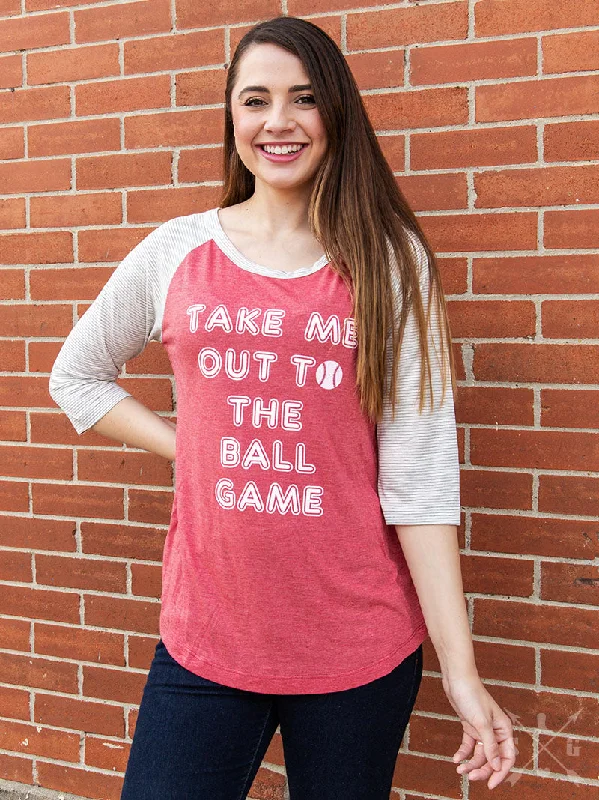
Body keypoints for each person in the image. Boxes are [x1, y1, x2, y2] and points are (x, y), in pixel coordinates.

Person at [49, 15, 516, 800]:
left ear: (335, 113)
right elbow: (78, 375)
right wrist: (191, 444)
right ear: (231, 117)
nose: (277, 122)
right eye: (254, 100)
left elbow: (421, 484)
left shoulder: (388, 261)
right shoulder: (176, 250)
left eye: (302, 99)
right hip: (206, 642)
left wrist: (461, 676)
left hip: (356, 648)